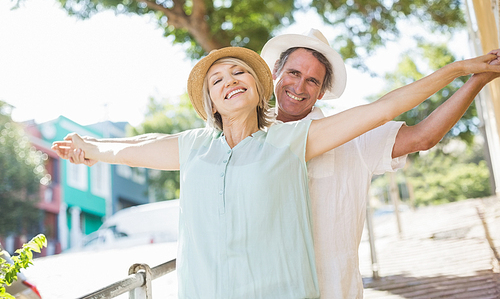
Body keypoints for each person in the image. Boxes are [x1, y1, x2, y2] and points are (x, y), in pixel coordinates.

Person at [53, 45, 500, 299]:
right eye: (217, 78)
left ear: (258, 86)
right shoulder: (193, 146)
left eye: (239, 71)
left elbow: (385, 108)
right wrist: (91, 149)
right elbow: (137, 148)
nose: (230, 79)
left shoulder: (294, 141)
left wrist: (462, 70)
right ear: (210, 102)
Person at [259, 29, 500, 298]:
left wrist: (477, 80)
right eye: (293, 73)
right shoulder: (250, 138)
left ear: (321, 93)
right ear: (274, 73)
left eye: (312, 80)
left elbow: (424, 136)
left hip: (333, 291)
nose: (299, 87)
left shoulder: (350, 135)